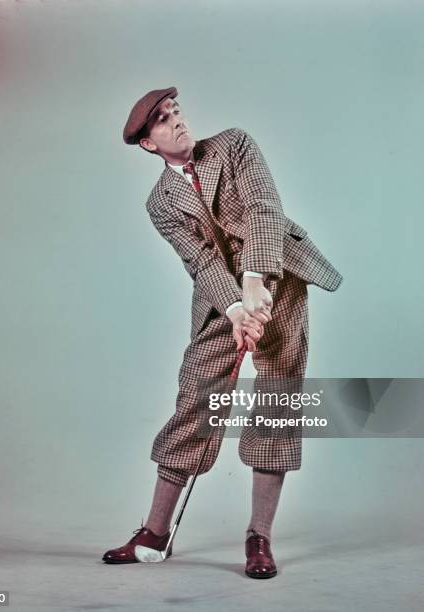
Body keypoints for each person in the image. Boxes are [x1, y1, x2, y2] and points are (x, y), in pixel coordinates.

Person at [102, 86, 342, 579]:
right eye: (163, 122)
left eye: (176, 112)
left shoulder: (234, 145)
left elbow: (263, 210)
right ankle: (154, 532)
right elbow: (201, 259)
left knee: (277, 398)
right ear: (149, 144)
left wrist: (256, 282)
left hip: (279, 274)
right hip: (222, 299)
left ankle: (259, 537)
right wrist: (236, 308)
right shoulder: (160, 203)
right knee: (196, 396)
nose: (177, 122)